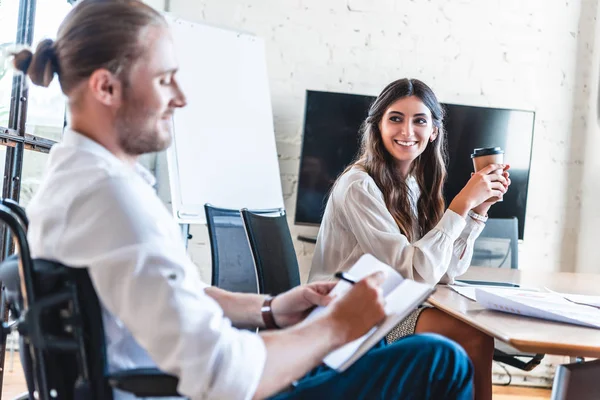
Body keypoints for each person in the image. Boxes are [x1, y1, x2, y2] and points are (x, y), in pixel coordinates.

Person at [13, 1, 474, 399]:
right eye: (164, 79)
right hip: (217, 389)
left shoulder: (80, 180)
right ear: (106, 88)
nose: (181, 98)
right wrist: (334, 327)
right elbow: (226, 375)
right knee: (441, 359)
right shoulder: (112, 201)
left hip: (180, 378)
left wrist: (269, 309)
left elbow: (173, 294)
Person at [308, 78, 511, 400]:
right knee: (471, 336)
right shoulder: (359, 185)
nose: (407, 131)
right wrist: (461, 204)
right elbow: (415, 272)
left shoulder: (414, 185)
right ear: (377, 126)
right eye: (395, 118)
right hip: (355, 315)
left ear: (433, 131)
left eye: (419, 120)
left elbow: (444, 272)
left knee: (473, 333)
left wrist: (477, 211)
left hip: (395, 304)